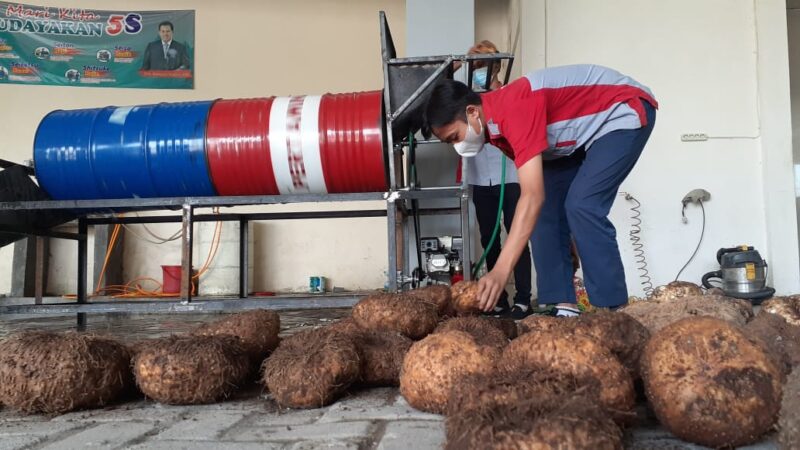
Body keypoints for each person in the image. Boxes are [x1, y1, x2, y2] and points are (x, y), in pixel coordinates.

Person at [424, 64, 657, 316]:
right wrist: (570, 244)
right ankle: (564, 306)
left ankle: (614, 310)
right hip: (571, 141)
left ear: (471, 112)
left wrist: (501, 270)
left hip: (621, 110)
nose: (457, 146)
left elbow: (531, 196)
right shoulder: (495, 132)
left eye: (455, 137)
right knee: (546, 213)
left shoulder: (512, 108)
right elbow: (541, 201)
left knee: (582, 205)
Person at [459, 41, 532, 319]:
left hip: (511, 176)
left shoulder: (508, 94)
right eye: (474, 67)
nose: (478, 72)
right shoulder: (467, 100)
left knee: (518, 236)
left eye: (482, 67)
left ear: (495, 67)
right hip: (480, 179)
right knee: (490, 239)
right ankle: (497, 300)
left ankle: (523, 299)